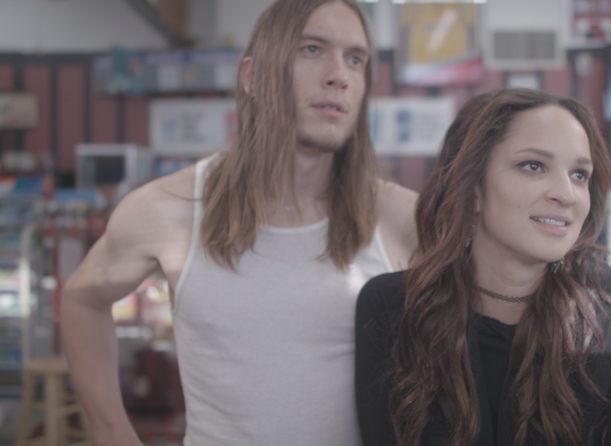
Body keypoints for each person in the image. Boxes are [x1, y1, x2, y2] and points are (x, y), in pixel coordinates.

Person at [60, 0, 417, 445]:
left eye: (356, 59)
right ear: (253, 77)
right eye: (311, 49)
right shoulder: (170, 208)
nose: (338, 75)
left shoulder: (401, 216)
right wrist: (111, 432)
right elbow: (82, 301)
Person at [355, 88, 611, 446]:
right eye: (533, 166)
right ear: (472, 188)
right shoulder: (390, 306)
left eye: (579, 174)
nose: (566, 194)